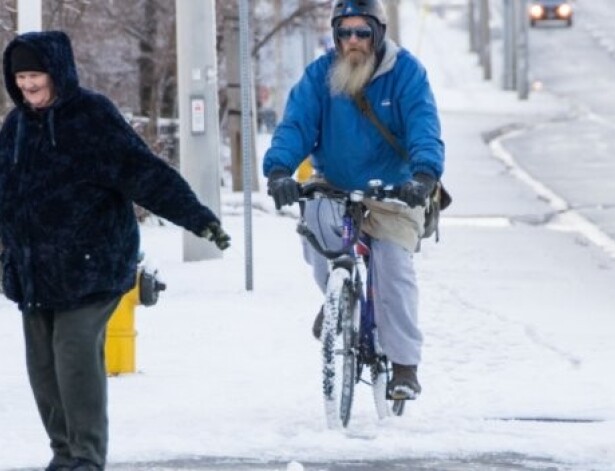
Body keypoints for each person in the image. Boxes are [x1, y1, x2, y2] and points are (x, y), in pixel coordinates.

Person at [0, 31, 230, 471]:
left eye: (35, 75)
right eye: (21, 77)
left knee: (74, 354)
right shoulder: (15, 128)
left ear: (57, 73)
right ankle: (63, 453)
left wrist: (198, 218)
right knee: (43, 370)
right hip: (34, 271)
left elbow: (145, 174)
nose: (28, 85)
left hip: (93, 265)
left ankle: (86, 456)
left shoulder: (92, 117)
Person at [263, 0, 444, 401]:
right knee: (314, 230)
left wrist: (424, 175)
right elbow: (296, 125)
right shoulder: (319, 76)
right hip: (336, 185)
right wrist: (279, 171)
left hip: (396, 190)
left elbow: (423, 127)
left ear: (378, 33)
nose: (353, 42)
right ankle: (337, 302)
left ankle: (403, 366)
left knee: (393, 268)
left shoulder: (406, 74)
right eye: (344, 33)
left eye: (362, 33)